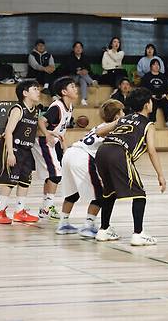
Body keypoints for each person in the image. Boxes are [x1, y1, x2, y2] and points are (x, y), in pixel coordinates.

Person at [95, 87, 167, 246]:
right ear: (147, 104)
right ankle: (138, 234)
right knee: (139, 194)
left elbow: (99, 131)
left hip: (102, 151)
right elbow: (151, 150)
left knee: (109, 192)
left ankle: (103, 230)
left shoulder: (124, 118)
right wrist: (160, 175)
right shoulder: (149, 124)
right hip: (119, 154)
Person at [55, 99, 125, 237]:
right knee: (102, 193)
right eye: (122, 111)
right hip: (83, 157)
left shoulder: (100, 126)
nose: (124, 114)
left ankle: (63, 223)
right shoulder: (114, 129)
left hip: (70, 153)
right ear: (117, 115)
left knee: (72, 192)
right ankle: (89, 225)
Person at [0, 80, 41, 224]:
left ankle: (19, 212)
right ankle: (0, 212)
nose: (38, 91)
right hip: (13, 148)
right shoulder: (18, 109)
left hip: (26, 149)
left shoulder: (36, 110)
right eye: (34, 89)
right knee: (10, 180)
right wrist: (10, 153)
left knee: (25, 181)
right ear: (25, 93)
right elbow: (8, 132)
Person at [31, 77, 78, 220]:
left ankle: (45, 208)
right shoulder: (57, 107)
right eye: (72, 86)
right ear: (64, 91)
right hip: (43, 140)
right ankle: (47, 208)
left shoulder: (69, 106)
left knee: (51, 175)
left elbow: (61, 129)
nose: (76, 89)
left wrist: (64, 145)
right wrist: (47, 134)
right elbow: (41, 120)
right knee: (56, 174)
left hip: (54, 141)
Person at [62, 41, 96, 106]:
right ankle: (91, 81)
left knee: (83, 80)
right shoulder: (69, 57)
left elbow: (88, 68)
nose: (78, 49)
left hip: (82, 77)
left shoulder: (85, 57)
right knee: (82, 75)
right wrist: (77, 71)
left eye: (80, 47)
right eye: (76, 47)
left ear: (82, 49)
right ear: (73, 49)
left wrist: (85, 71)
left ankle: (83, 99)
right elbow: (67, 69)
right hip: (72, 77)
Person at [141, 59, 168, 128]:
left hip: (162, 97)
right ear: (151, 66)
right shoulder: (146, 76)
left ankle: (167, 121)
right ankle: (152, 122)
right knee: (152, 105)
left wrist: (164, 94)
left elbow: (167, 88)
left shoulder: (163, 76)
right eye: (154, 64)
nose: (156, 66)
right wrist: (150, 96)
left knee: (167, 104)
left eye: (158, 64)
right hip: (151, 97)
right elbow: (143, 88)